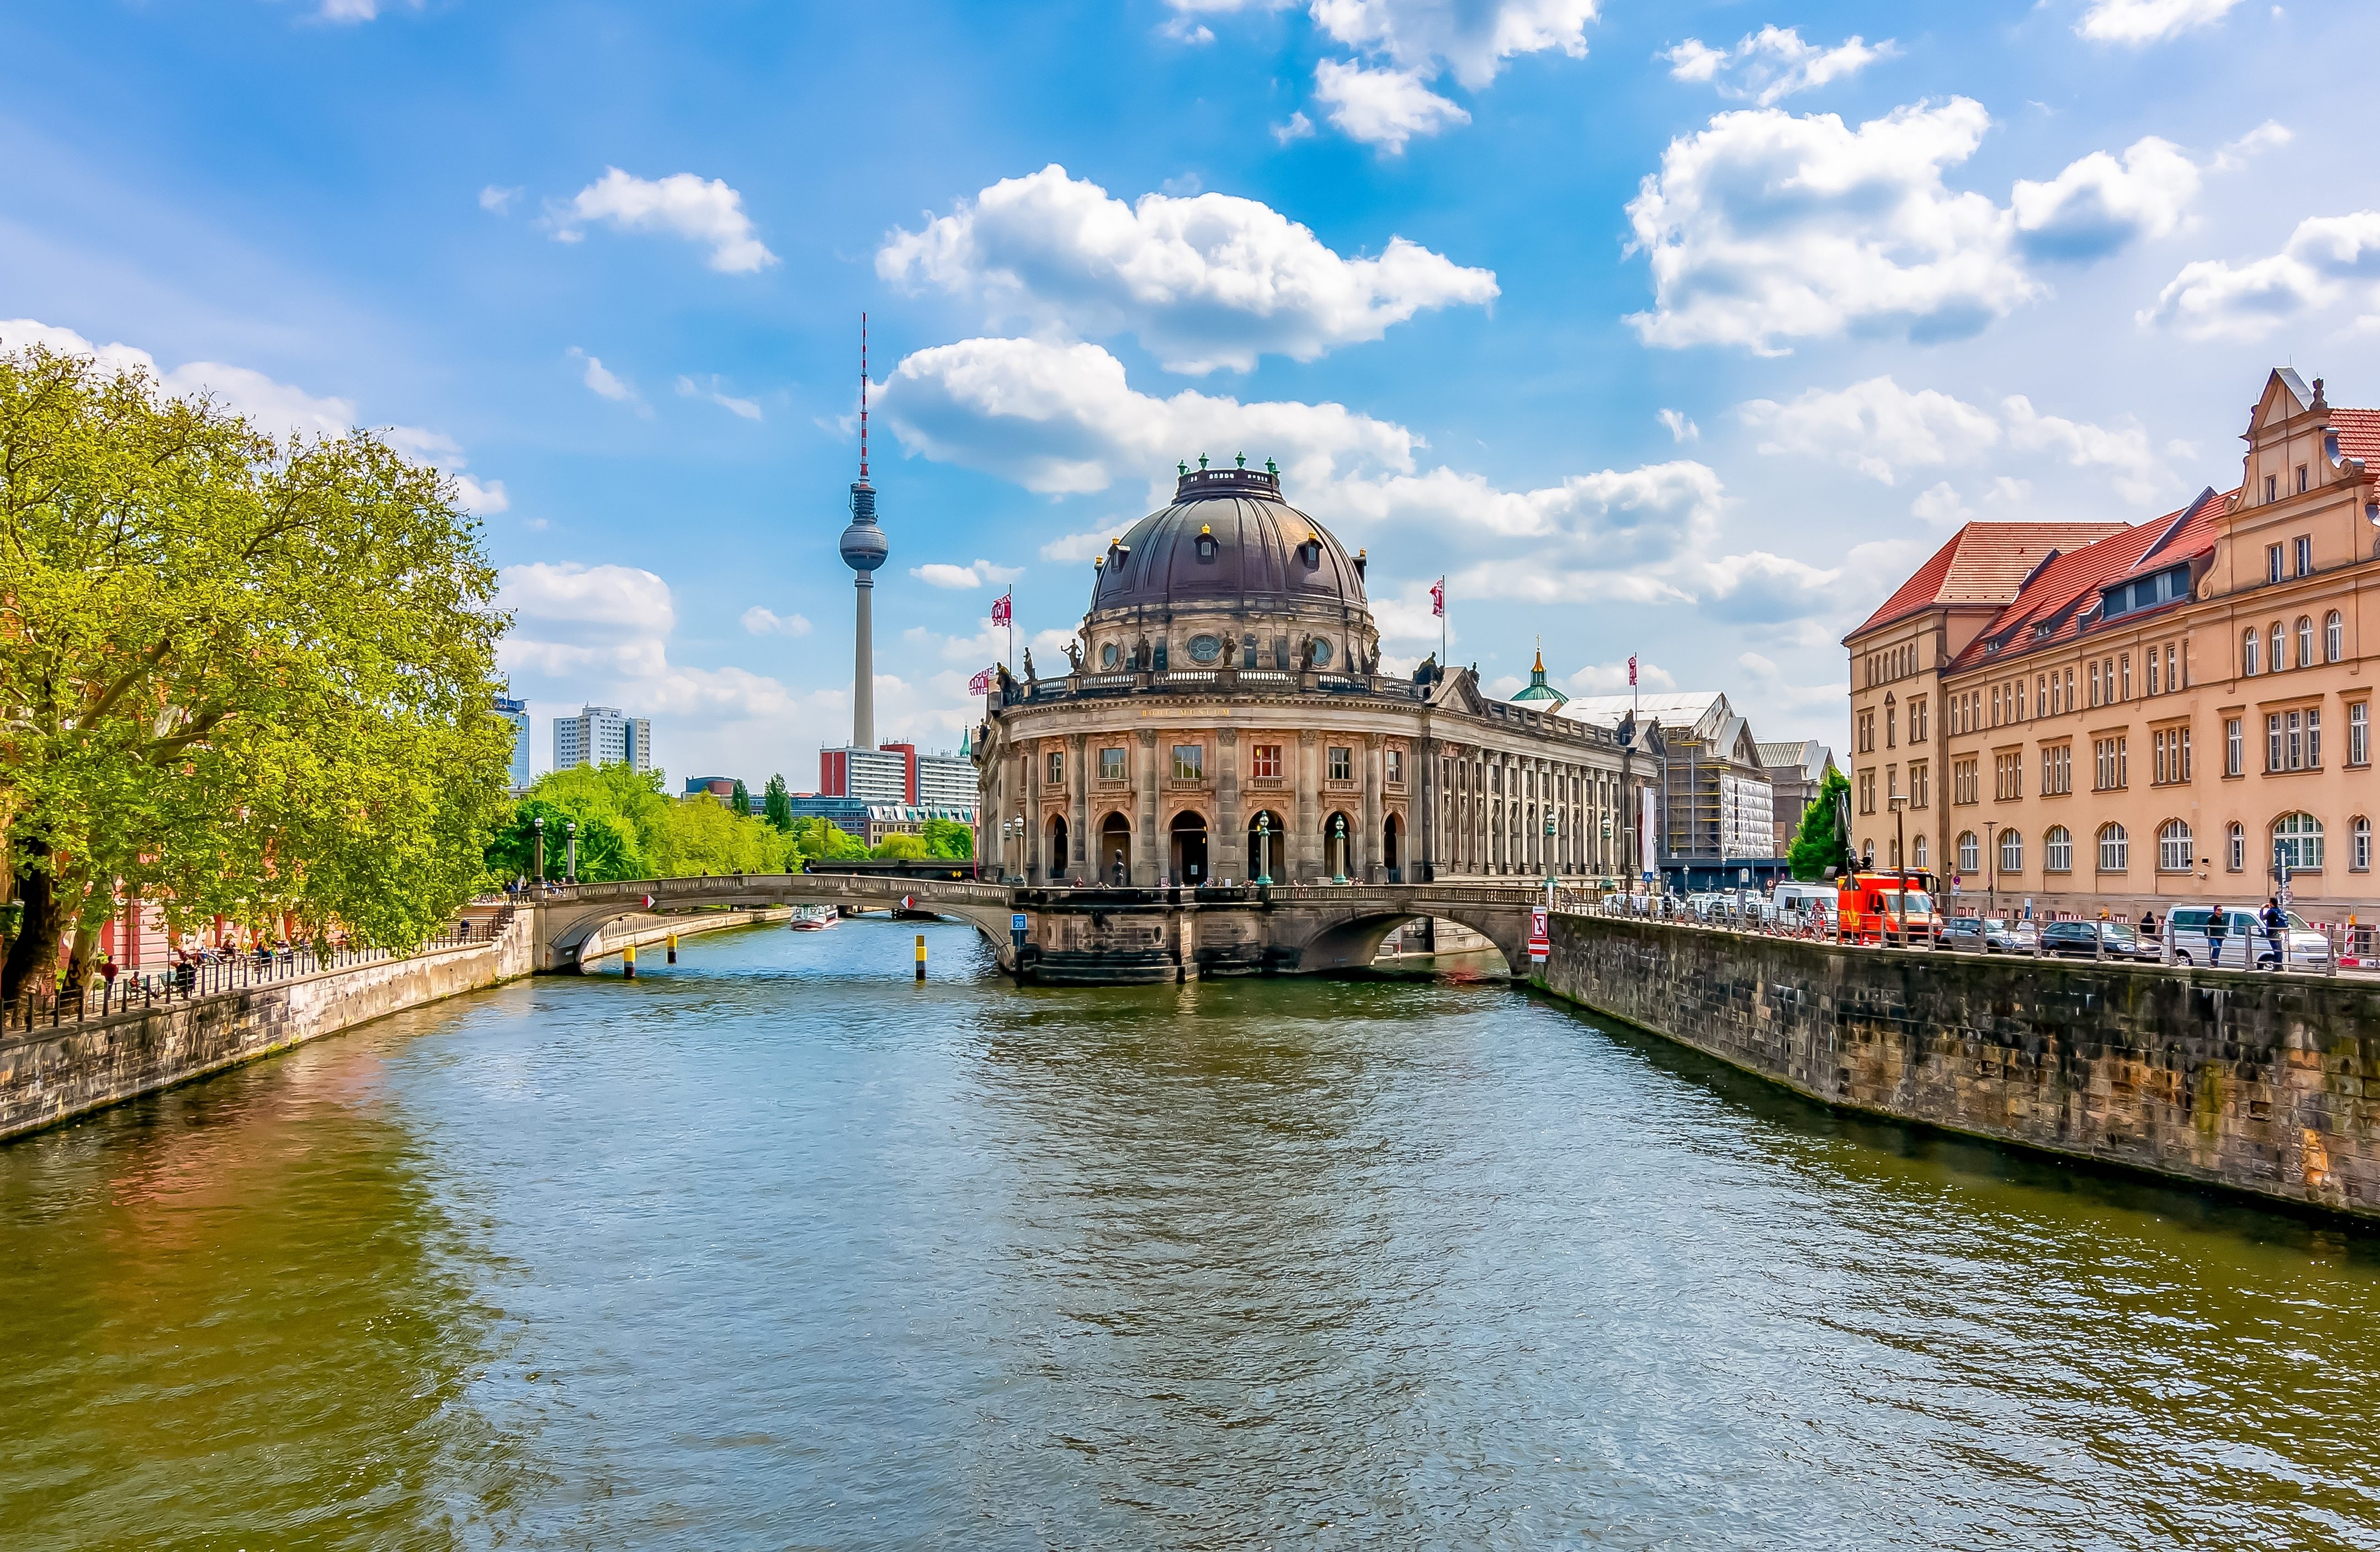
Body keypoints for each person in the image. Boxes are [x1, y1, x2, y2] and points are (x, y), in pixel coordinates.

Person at [2262, 896, 2289, 970]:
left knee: (2276, 950)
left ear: (2271, 903)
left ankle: (2278, 966)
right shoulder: (2279, 910)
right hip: (2279, 932)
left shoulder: (2271, 911)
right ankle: (2280, 965)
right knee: (2279, 949)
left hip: (2272, 933)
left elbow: (2263, 918)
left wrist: (2262, 909)